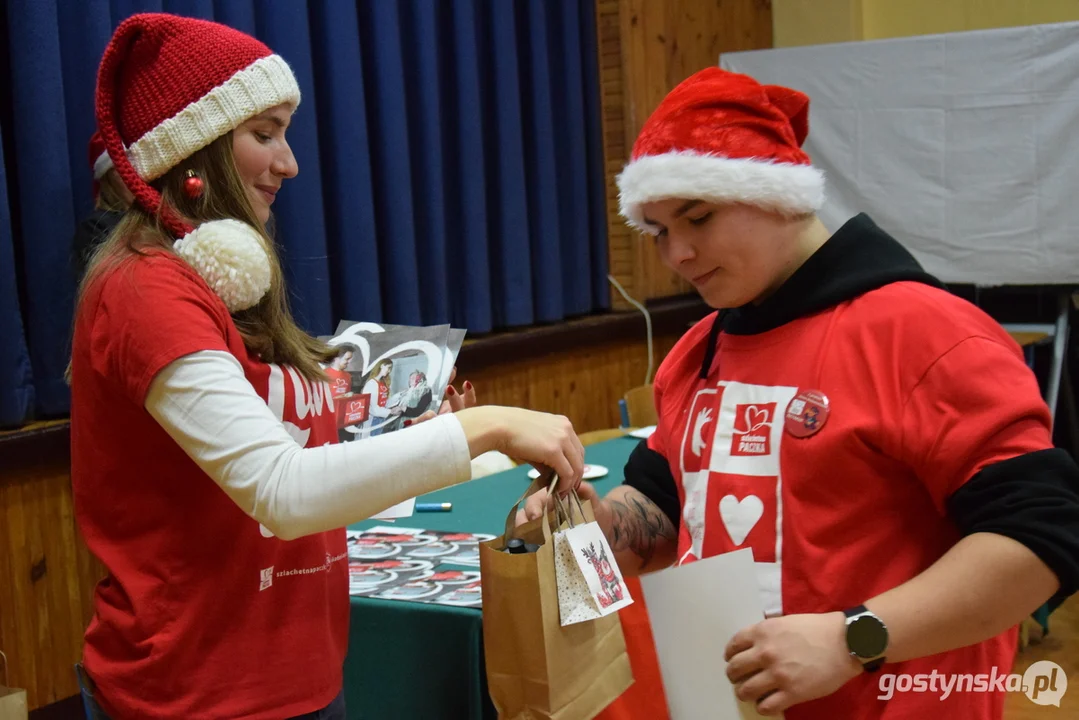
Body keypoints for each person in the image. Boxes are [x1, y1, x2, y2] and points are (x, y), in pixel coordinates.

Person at [518, 67, 1079, 719]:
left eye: (697, 216)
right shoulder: (700, 346)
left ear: (779, 195)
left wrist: (852, 639)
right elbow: (666, 505)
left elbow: (1041, 540)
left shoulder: (925, 334)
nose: (675, 253)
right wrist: (589, 528)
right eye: (658, 230)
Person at [69, 13, 584, 720]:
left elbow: (289, 463)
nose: (289, 163)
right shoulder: (145, 292)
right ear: (196, 149)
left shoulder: (220, 283)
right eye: (264, 133)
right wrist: (487, 430)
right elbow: (283, 492)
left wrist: (411, 437)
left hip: (296, 680)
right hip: (199, 697)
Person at [71, 131, 133, 284]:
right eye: (123, 170)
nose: (134, 176)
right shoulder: (94, 229)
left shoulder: (157, 215)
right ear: (109, 178)